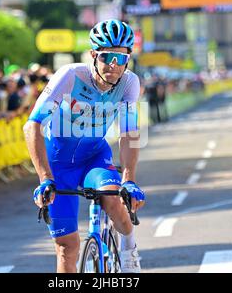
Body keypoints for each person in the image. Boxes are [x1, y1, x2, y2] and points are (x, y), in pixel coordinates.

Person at [24, 19, 145, 273]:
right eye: (106, 57)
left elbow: (129, 132)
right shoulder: (70, 76)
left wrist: (129, 179)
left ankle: (129, 248)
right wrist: (44, 178)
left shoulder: (129, 83)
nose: (113, 65)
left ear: (128, 60)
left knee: (114, 198)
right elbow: (32, 125)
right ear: (93, 55)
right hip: (58, 161)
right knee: (67, 247)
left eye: (120, 58)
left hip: (94, 156)